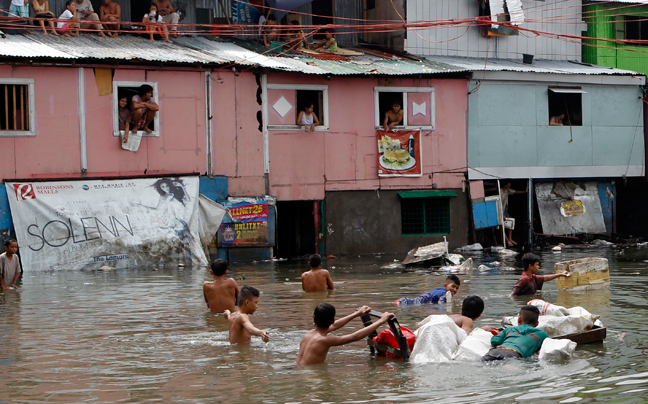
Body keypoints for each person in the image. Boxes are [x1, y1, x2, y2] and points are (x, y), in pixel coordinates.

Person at [296, 304, 393, 366]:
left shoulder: (309, 334)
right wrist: (381, 320)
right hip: (311, 376)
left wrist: (357, 314)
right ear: (332, 320)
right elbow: (355, 337)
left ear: (314, 320)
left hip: (299, 369)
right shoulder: (324, 340)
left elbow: (334, 326)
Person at [482, 305, 549, 361]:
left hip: (495, 351)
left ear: (519, 319)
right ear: (537, 323)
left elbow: (494, 341)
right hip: (514, 355)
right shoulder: (542, 335)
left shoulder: (509, 330)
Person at [395, 274, 460, 306]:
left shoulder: (441, 290)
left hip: (404, 301)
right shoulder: (444, 294)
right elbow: (442, 307)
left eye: (457, 288)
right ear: (445, 285)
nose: (455, 289)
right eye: (453, 286)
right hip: (405, 303)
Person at [499, 182, 527, 247]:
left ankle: (510, 238)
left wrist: (525, 192)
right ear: (505, 184)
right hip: (500, 210)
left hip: (505, 210)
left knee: (511, 222)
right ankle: (507, 240)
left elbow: (515, 191)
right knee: (502, 225)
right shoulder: (500, 191)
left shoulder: (507, 190)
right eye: (509, 183)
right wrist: (501, 213)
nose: (510, 184)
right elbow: (498, 203)